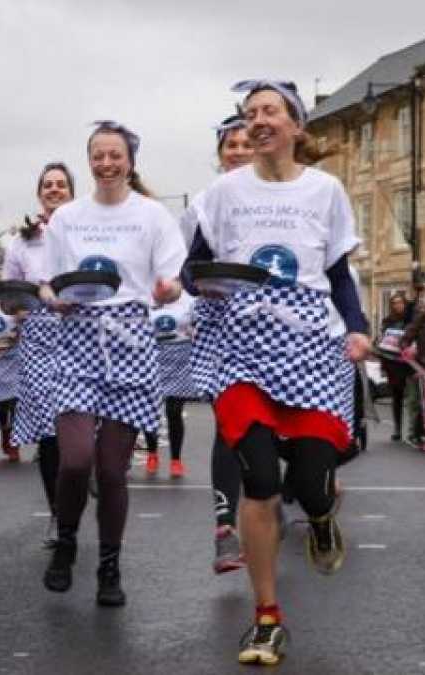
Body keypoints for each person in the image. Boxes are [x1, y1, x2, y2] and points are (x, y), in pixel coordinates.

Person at [184, 80, 367, 666]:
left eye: (270, 111)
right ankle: (266, 618)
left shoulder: (326, 190)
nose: (258, 120)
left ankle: (319, 517)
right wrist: (203, 282)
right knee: (259, 478)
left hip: (310, 343)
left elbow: (338, 272)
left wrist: (358, 327)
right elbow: (193, 269)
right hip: (240, 342)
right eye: (250, 113)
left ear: (295, 126)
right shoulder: (221, 193)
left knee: (313, 482)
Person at [39, 121, 184, 607]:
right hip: (78, 338)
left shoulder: (151, 216)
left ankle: (109, 565)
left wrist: (167, 291)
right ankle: (64, 542)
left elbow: (172, 280)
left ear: (130, 160)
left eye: (114, 155)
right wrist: (51, 298)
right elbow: (47, 280)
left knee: (113, 470)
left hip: (130, 342)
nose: (105, 164)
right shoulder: (66, 218)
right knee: (76, 460)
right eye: (97, 156)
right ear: (89, 161)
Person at [182, 112, 256, 574]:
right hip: (221, 323)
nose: (239, 151)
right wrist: (199, 284)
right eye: (230, 145)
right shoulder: (205, 204)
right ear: (219, 154)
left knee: (269, 428)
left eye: (247, 143)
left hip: (276, 326)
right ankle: (225, 528)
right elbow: (187, 269)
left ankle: (275, 496)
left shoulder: (289, 197)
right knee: (230, 419)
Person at [2, 162, 74, 546]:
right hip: (39, 343)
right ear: (39, 193)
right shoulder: (23, 239)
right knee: (49, 432)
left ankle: (82, 474)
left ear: (72, 192)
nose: (55, 190)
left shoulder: (86, 229)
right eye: (48, 185)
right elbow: (8, 293)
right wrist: (17, 307)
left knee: (81, 427)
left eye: (62, 185)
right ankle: (58, 516)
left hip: (81, 338)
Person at [143, 291, 199, 477]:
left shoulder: (189, 299)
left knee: (174, 411)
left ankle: (176, 459)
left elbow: (198, 324)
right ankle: (152, 454)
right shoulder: (146, 294)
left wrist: (193, 331)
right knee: (150, 409)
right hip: (152, 355)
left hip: (179, 356)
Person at [378, 293, 412, 441]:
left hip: (409, 362)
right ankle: (397, 428)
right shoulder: (387, 321)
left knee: (413, 397)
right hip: (392, 362)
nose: (398, 305)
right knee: (396, 396)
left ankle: (413, 429)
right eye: (395, 303)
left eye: (400, 302)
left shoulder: (410, 320)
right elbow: (383, 341)